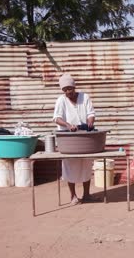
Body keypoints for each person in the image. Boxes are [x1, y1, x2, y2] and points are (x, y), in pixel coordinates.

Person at [53, 73, 96, 205]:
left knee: (86, 165)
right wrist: (67, 125)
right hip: (68, 139)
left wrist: (90, 122)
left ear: (74, 87)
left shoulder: (85, 97)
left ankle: (87, 194)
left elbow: (91, 113)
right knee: (70, 167)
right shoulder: (61, 100)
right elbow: (57, 118)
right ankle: (73, 196)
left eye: (69, 89)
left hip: (84, 137)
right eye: (65, 90)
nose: (68, 92)